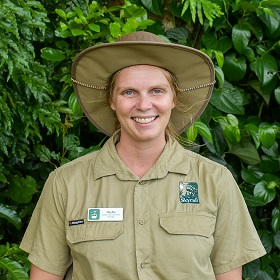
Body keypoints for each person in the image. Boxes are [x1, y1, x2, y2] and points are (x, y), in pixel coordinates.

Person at [20, 31, 266, 280]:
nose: (144, 104)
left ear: (174, 99)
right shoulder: (65, 183)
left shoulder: (216, 181)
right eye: (129, 92)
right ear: (112, 101)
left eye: (157, 91)